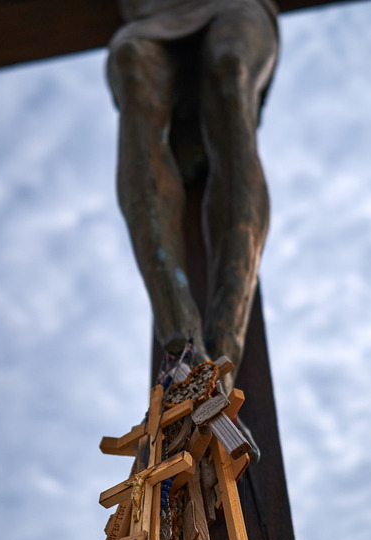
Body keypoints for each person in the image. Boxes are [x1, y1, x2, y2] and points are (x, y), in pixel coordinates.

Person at [107, 0, 279, 396]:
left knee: (230, 67)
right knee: (130, 59)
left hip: (234, 5)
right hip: (151, 16)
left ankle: (224, 353)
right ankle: (182, 345)